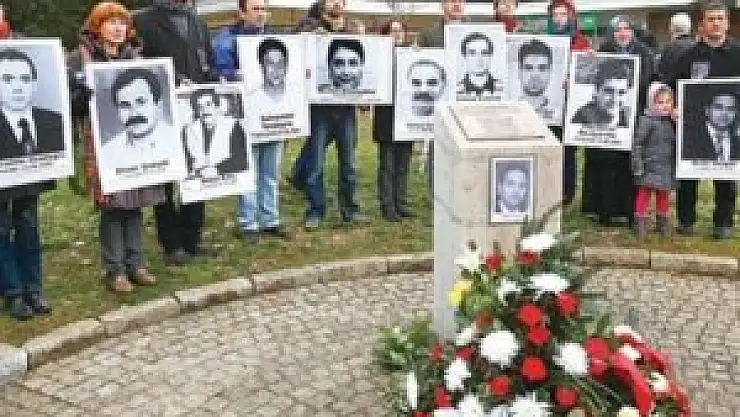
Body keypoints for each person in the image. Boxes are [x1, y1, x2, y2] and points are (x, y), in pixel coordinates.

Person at [68, 2, 166, 294]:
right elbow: (70, 104)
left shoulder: (135, 57)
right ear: (96, 27)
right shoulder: (80, 59)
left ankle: (136, 264)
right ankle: (115, 270)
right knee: (112, 207)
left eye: (122, 22)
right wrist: (80, 96)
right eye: (110, 22)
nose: (118, 28)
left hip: (135, 145)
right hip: (102, 144)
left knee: (134, 203)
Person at [133, 0, 218, 265]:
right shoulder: (142, 21)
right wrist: (174, 79)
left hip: (194, 108)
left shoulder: (198, 21)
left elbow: (208, 61)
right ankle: (171, 243)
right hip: (163, 112)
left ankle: (192, 238)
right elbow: (139, 64)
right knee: (166, 180)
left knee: (198, 168)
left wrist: (214, 80)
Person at [662, 0, 740, 239]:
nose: (716, 23)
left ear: (727, 23)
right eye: (711, 19)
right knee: (689, 176)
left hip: (731, 126)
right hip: (693, 127)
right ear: (702, 24)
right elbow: (670, 86)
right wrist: (673, 106)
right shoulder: (688, 56)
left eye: (720, 18)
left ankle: (723, 223)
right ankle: (686, 220)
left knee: (726, 176)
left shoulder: (738, 53)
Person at [212, 0, 289, 243]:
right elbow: (218, 73)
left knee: (270, 171)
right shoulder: (226, 41)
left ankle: (270, 220)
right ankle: (248, 223)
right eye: (256, 9)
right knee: (249, 170)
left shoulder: (275, 39)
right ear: (242, 13)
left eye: (264, 9)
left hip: (273, 115)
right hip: (245, 115)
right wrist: (234, 75)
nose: (261, 14)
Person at [293, 0, 368, 229]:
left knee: (349, 165)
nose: (336, 3)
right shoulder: (310, 25)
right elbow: (295, 45)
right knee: (315, 166)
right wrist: (309, 36)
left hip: (346, 111)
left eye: (340, 1)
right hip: (320, 112)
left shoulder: (352, 30)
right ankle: (315, 210)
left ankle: (350, 209)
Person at [0, 7, 53, 320]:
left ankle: (33, 287)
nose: (16, 86)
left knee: (28, 225)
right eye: (7, 80)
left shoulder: (23, 44)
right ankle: (13, 292)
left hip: (28, 171)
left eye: (23, 79)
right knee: (0, 230)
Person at [546, 0, 590, 206]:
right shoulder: (545, 39)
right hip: (549, 104)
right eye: (555, 15)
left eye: (563, 14)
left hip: (570, 105)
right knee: (549, 146)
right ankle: (548, 188)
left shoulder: (581, 42)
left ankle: (566, 192)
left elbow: (588, 73)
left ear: (571, 16)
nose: (559, 19)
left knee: (568, 150)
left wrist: (575, 77)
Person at [419, 0, 465, 192]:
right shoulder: (429, 35)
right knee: (437, 146)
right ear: (443, 5)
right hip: (439, 101)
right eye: (452, 1)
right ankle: (436, 191)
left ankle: (462, 189)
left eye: (460, 1)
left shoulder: (476, 31)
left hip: (466, 101)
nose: (457, 5)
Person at [374, 19, 414, 222]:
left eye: (400, 30)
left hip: (407, 117)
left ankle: (401, 202)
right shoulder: (380, 58)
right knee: (387, 165)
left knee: (403, 164)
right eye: (393, 30)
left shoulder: (412, 55)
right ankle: (387, 205)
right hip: (386, 117)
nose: (397, 34)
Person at [632, 82, 677, 241]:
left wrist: (677, 122)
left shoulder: (672, 121)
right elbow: (637, 144)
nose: (665, 106)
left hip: (666, 167)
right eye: (660, 102)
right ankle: (640, 223)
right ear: (651, 102)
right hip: (648, 166)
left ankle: (662, 223)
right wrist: (638, 165)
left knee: (664, 195)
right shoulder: (647, 121)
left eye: (668, 101)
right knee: (644, 195)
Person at [0, 48, 64, 158]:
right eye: (7, 80)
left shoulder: (58, 121)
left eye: (25, 79)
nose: (17, 88)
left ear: (34, 85)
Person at [103, 68, 173, 161]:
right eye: (125, 105)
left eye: (141, 102)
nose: (133, 113)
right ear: (118, 112)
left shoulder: (176, 140)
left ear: (158, 104)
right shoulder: (107, 154)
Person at [182, 88, 249, 178]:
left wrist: (217, 169)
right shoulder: (188, 130)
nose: (205, 110)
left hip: (228, 178)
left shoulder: (233, 125)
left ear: (217, 107)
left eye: (208, 105)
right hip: (199, 181)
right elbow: (186, 160)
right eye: (200, 107)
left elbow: (242, 160)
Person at [682, 86, 740, 161]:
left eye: (730, 109)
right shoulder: (686, 138)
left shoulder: (737, 143)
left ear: (735, 113)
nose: (724, 113)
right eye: (718, 108)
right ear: (707, 111)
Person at [571, 59, 633, 128]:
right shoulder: (581, 118)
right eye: (609, 91)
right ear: (596, 91)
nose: (615, 99)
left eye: (621, 93)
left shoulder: (628, 117)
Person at [517, 39, 555, 120]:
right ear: (519, 71)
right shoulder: (507, 109)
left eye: (542, 68)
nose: (535, 75)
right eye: (528, 68)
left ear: (550, 71)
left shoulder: (558, 111)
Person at [457, 32, 502, 97]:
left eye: (484, 53)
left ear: (490, 56)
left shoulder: (503, 91)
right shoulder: (456, 91)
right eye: (472, 53)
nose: (479, 59)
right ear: (464, 56)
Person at [657, 12, 694, 84]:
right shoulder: (696, 46)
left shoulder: (669, 48)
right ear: (689, 28)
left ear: (672, 28)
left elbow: (662, 73)